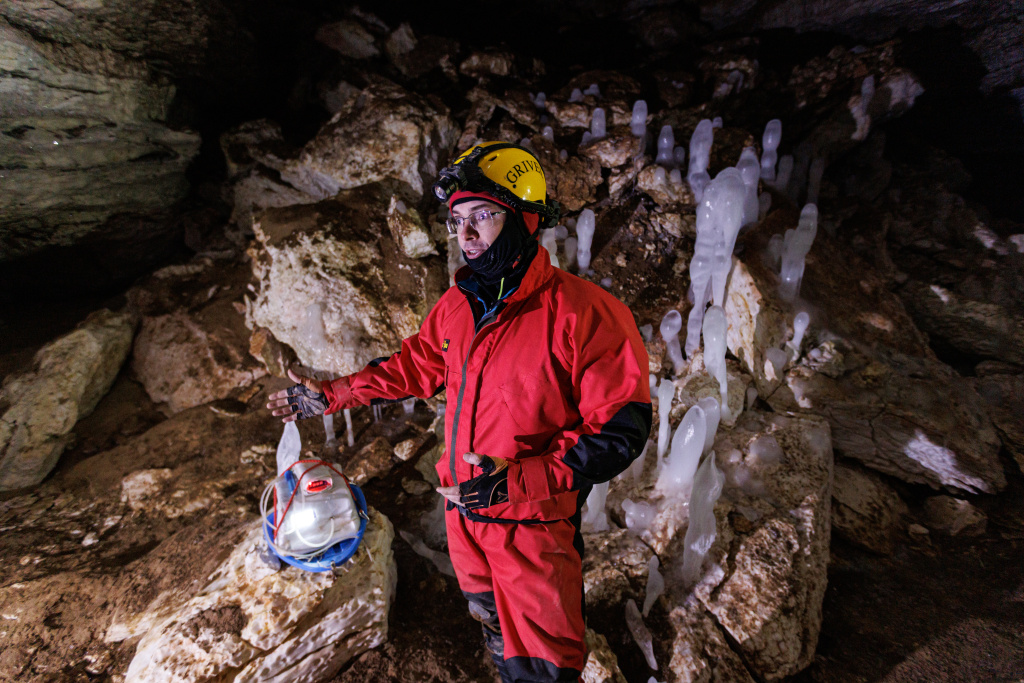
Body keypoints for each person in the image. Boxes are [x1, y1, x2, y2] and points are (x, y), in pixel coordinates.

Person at [268, 141, 652, 683]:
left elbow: (620, 429)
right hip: (463, 513)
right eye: (457, 221)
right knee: (490, 621)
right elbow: (413, 367)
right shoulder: (458, 306)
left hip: (532, 524)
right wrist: (332, 395)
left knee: (544, 665)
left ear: (523, 218)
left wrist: (520, 482)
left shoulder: (585, 313)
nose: (466, 235)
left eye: (482, 216)